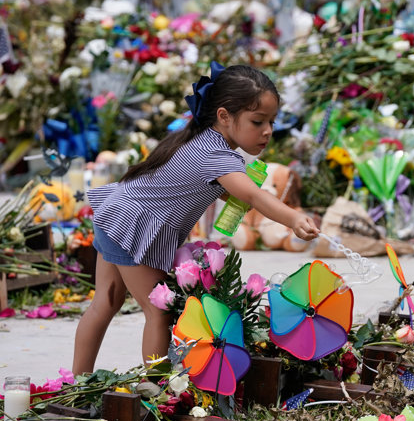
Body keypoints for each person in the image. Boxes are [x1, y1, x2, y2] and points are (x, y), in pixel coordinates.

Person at [72, 62, 319, 375]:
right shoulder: (216, 155)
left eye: (271, 121)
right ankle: (159, 391)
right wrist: (293, 217)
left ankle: (78, 381)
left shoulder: (203, 140)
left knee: (105, 303)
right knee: (158, 312)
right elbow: (254, 196)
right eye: (258, 121)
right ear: (224, 116)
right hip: (133, 226)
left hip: (118, 214)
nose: (268, 131)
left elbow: (212, 187)